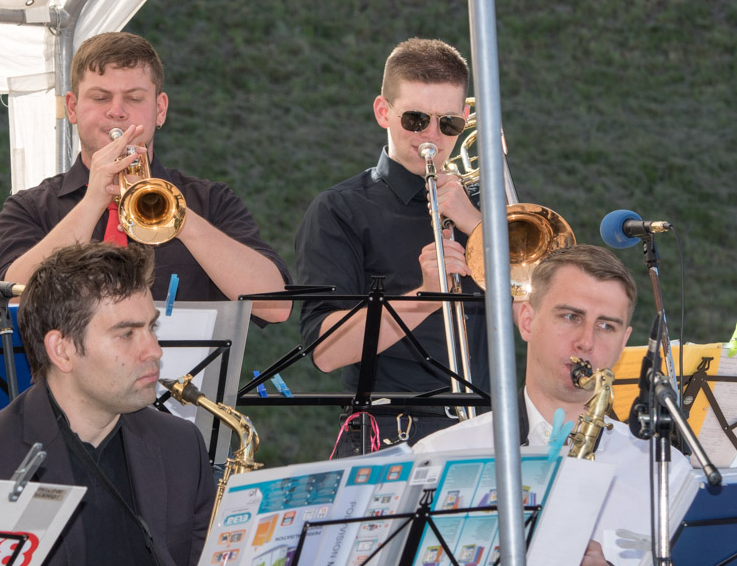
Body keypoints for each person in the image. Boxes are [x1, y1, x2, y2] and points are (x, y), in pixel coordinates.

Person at [0, 242, 214, 566]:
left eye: (151, 327)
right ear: (62, 350)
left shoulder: (181, 444)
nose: (155, 350)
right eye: (127, 334)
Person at [412, 245, 694, 566]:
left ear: (623, 342)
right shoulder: (439, 457)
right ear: (527, 321)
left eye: (606, 326)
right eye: (571, 317)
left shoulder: (665, 473)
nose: (586, 342)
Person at [0, 32, 291, 323]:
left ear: (159, 110)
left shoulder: (211, 201)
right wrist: (91, 204)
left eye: (134, 98)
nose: (117, 112)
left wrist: (179, 216)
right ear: (72, 108)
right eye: (100, 97)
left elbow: (276, 306)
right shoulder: (30, 207)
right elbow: (11, 301)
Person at [295, 37, 489, 451]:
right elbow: (326, 352)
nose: (431, 136)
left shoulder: (487, 210)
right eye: (415, 119)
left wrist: (474, 224)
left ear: (466, 119)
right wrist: (424, 298)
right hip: (390, 437)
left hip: (488, 433)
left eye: (449, 124)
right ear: (383, 111)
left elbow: (537, 308)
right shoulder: (341, 210)